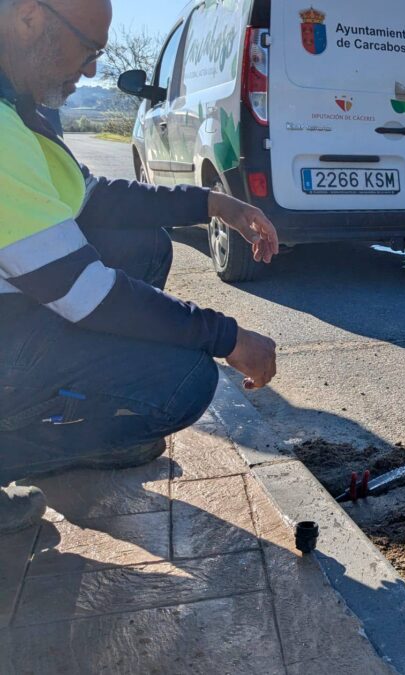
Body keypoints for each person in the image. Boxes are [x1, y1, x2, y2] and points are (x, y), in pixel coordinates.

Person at [0, 0, 279, 533]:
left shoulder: (15, 105)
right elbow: (87, 293)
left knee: (145, 245)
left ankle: (76, 420)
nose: (91, 71)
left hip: (15, 310)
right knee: (185, 380)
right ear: (30, 18)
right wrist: (227, 337)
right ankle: (18, 447)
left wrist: (212, 203)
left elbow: (93, 197)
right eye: (88, 49)